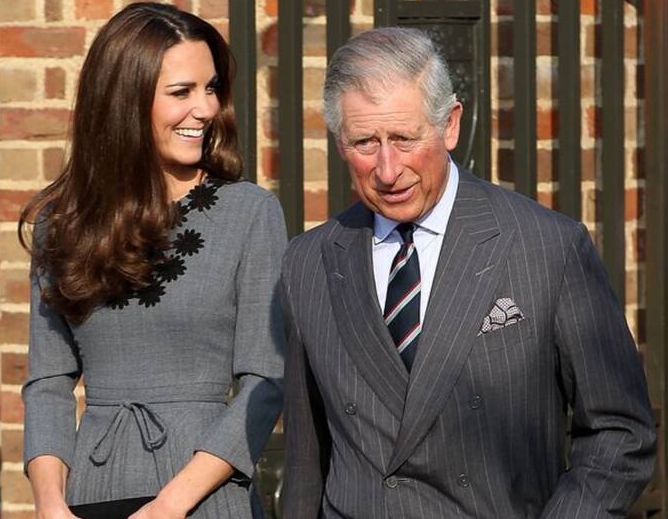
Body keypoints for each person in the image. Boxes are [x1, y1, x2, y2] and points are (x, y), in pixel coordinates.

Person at [281, 27, 655, 518]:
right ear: (339, 141)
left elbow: (620, 432)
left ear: (450, 124)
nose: (388, 169)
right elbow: (307, 462)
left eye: (405, 138)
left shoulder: (545, 246)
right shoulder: (308, 262)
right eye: (365, 142)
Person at [19, 2, 286, 519]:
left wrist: (170, 505)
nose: (206, 109)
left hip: (205, 498)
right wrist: (50, 506)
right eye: (182, 92)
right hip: (90, 496)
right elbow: (48, 382)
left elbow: (266, 379)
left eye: (210, 88)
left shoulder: (250, 212)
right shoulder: (64, 223)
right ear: (126, 101)